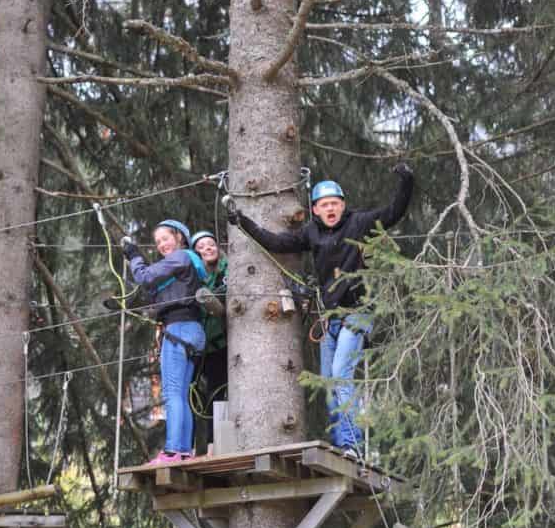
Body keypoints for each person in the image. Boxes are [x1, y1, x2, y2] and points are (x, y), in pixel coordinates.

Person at [226, 163, 414, 457]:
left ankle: (352, 444)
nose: (330, 209)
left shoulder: (359, 223)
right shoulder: (311, 234)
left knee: (340, 375)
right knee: (329, 385)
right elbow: (277, 242)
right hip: (329, 319)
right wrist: (243, 222)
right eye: (324, 205)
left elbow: (393, 212)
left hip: (357, 311)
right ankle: (343, 443)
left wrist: (406, 180)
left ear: (343, 206)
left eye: (334, 204)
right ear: (315, 210)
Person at [122, 219, 207, 465]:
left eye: (166, 238)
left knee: (172, 393)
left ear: (179, 237)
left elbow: (146, 277)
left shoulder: (181, 256)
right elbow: (155, 289)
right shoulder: (187, 265)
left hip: (179, 329)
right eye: (158, 241)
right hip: (191, 330)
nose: (161, 245)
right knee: (180, 394)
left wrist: (134, 255)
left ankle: (171, 451)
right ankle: (182, 451)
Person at [189, 231, 228, 454]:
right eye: (202, 246)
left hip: (220, 345)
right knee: (192, 393)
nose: (208, 248)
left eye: (211, 244)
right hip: (198, 345)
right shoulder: (195, 276)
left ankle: (214, 445)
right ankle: (194, 445)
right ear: (197, 253)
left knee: (216, 394)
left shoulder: (227, 269)